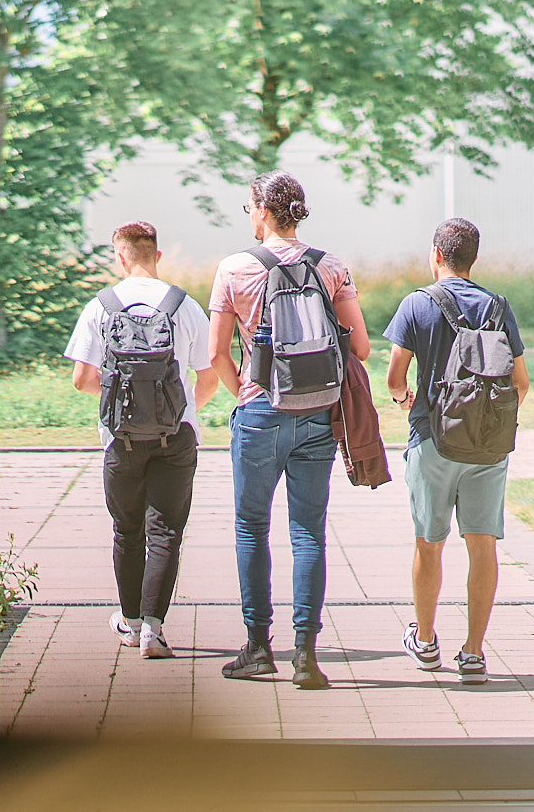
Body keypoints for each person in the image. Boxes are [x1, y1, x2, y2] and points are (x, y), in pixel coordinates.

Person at [207, 171, 370, 690]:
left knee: (252, 526)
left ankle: (258, 647)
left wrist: (247, 396)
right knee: (308, 531)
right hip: (319, 414)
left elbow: (214, 355)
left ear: (261, 210)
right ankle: (306, 655)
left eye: (248, 207)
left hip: (260, 413)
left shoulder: (234, 269)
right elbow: (360, 348)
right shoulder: (332, 267)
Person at [64, 221, 217, 660]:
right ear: (158, 256)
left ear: (121, 257)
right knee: (166, 531)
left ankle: (129, 623)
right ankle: (153, 629)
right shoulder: (182, 304)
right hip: (176, 437)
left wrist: (121, 400)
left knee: (127, 531)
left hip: (120, 440)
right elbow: (207, 378)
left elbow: (82, 380)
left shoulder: (101, 306)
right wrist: (178, 408)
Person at [383, 218, 527, 684]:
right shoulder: (498, 308)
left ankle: (425, 642)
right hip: (488, 449)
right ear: (474, 259)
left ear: (436, 254)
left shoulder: (416, 304)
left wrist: (409, 403)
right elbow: (520, 384)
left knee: (430, 543)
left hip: (433, 441)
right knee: (482, 545)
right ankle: (473, 654)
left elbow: (394, 378)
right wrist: (487, 422)